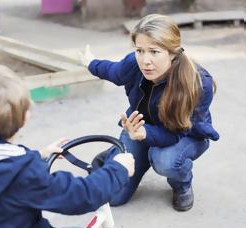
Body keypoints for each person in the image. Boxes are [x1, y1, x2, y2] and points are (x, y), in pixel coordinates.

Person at [0, 65, 137, 228]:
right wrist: (118, 169)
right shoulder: (25, 174)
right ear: (25, 118)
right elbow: (80, 196)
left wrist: (37, 155)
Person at [80, 14, 219, 211]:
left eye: (154, 52)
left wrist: (146, 134)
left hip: (184, 135)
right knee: (114, 197)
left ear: (172, 52)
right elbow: (113, 71)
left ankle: (182, 185)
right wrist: (90, 63)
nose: (145, 60)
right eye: (140, 50)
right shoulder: (135, 63)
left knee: (164, 160)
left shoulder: (198, 83)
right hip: (141, 127)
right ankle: (116, 153)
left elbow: (177, 132)